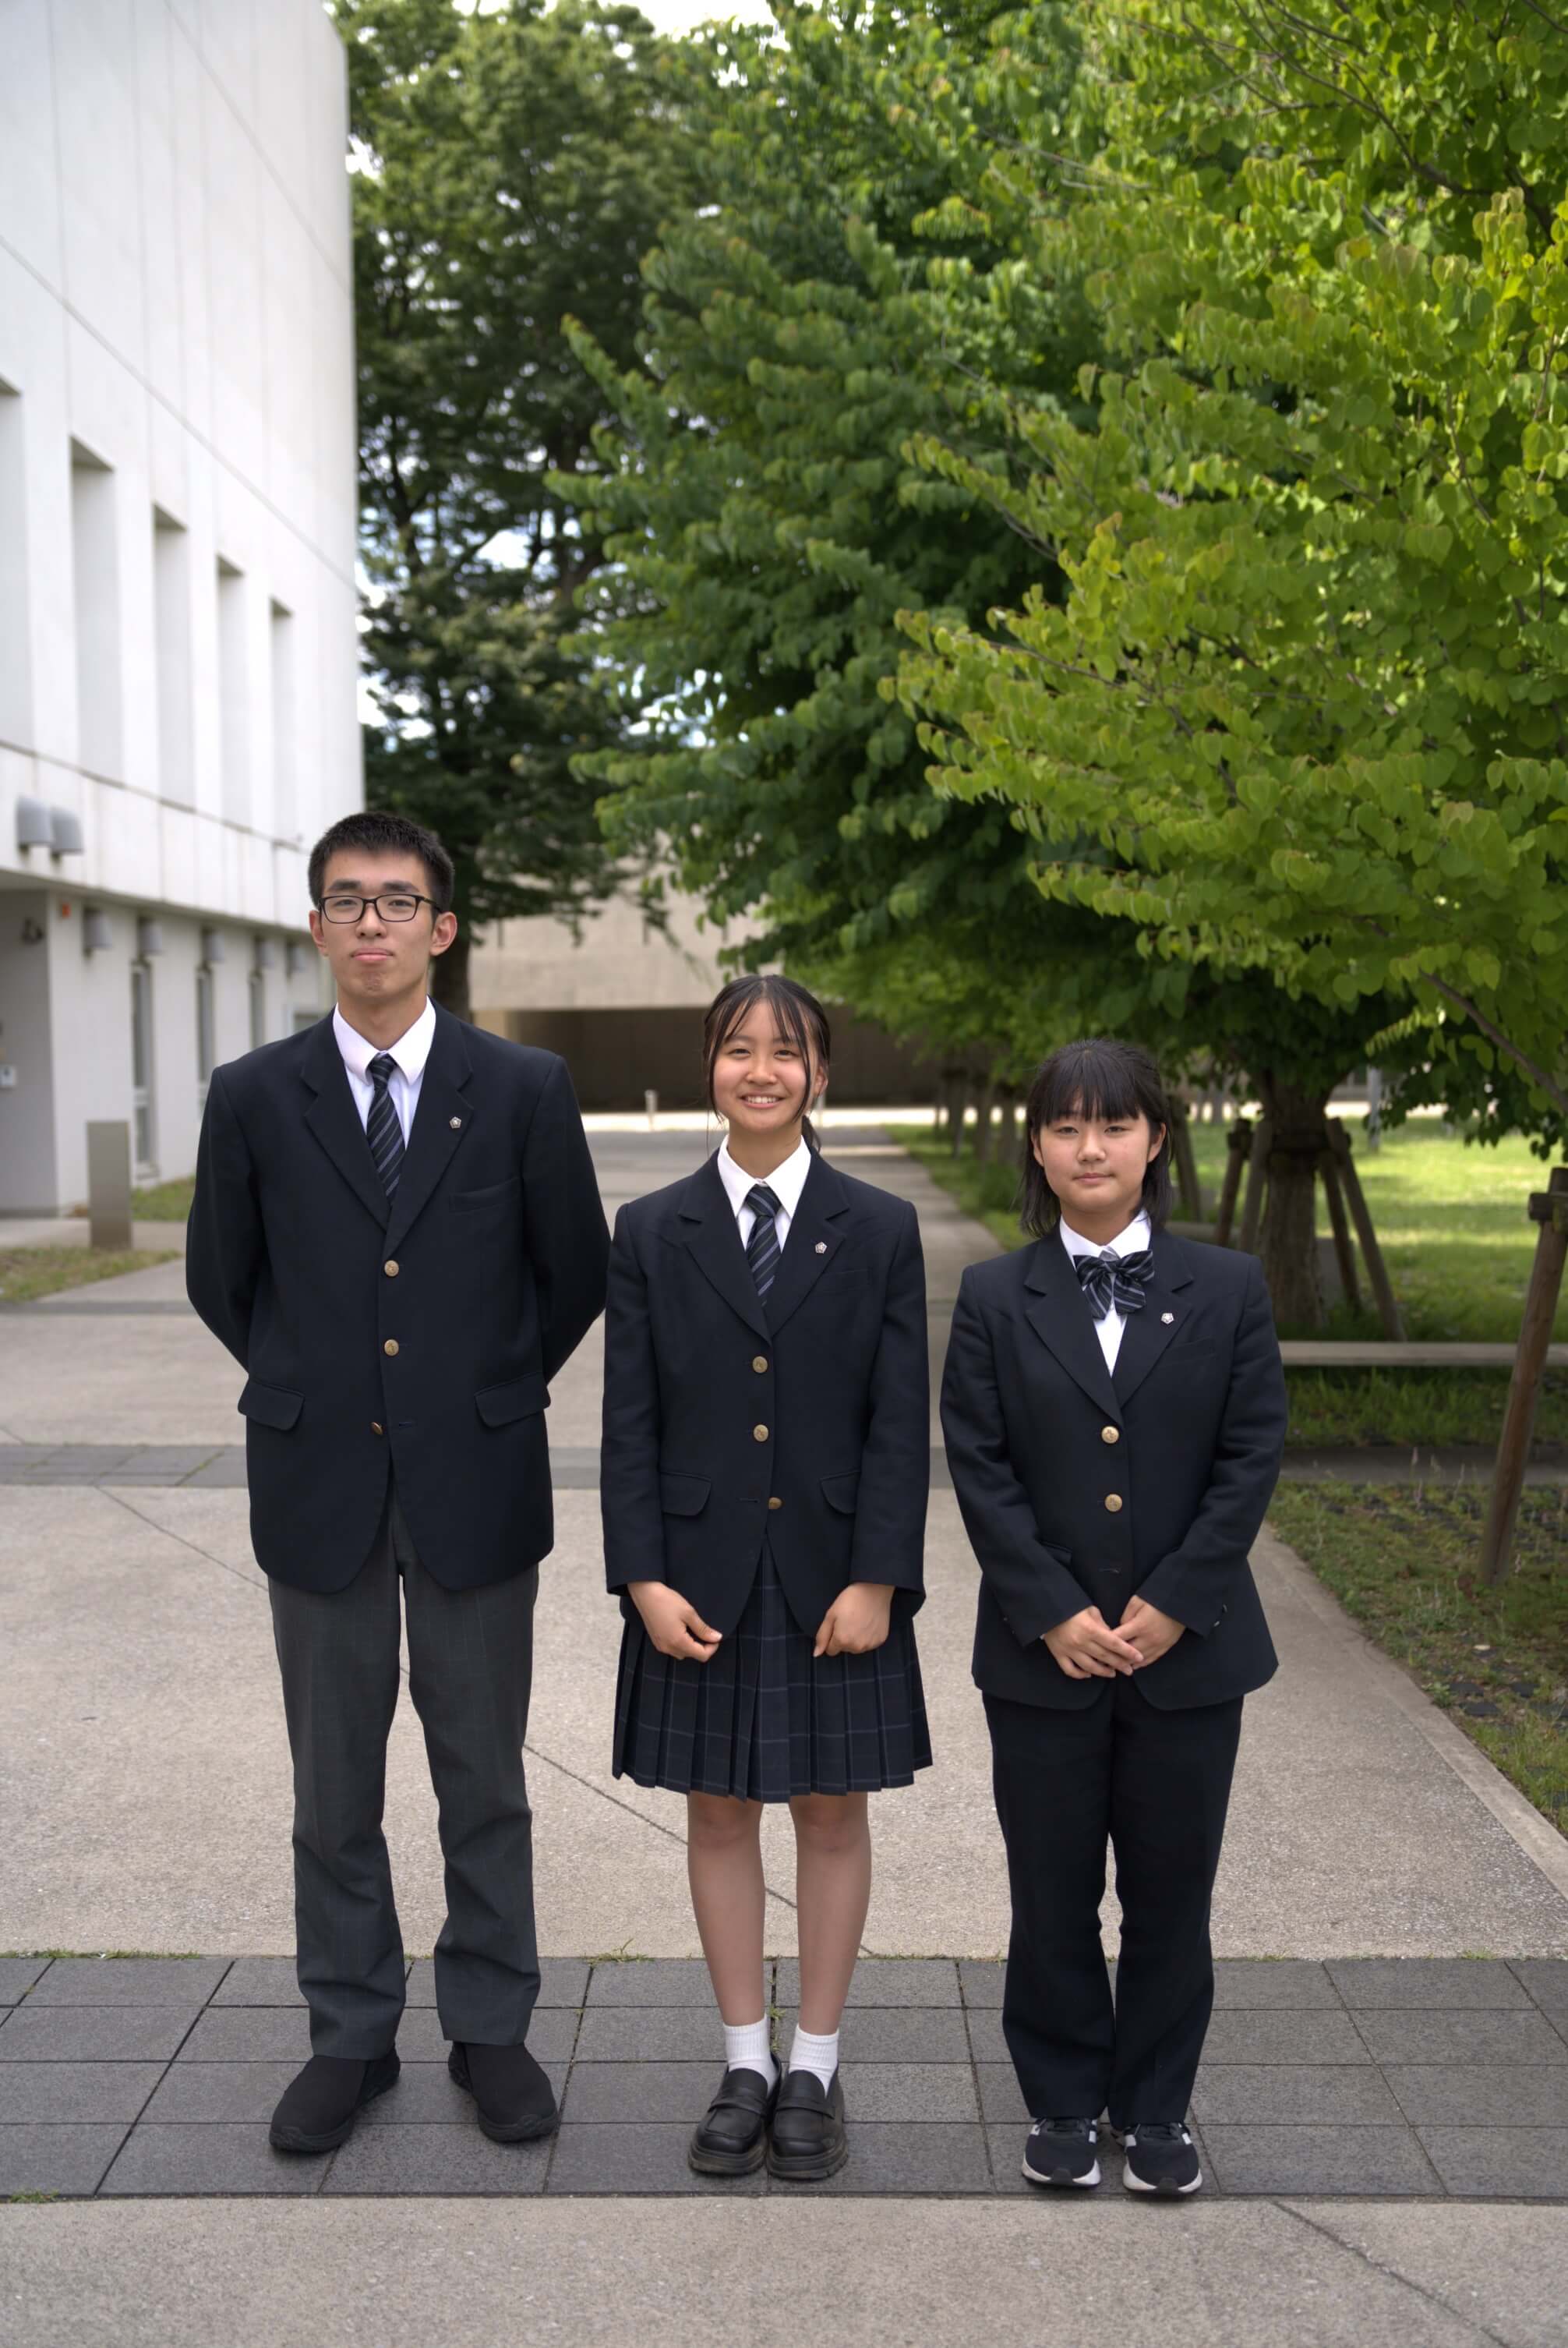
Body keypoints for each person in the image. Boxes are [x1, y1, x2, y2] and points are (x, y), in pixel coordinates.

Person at [186, 810, 608, 2157]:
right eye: (347, 901)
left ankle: (490, 2030)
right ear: (316, 928)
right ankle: (351, 2037)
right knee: (332, 1789)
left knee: (484, 1777)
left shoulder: (525, 1088)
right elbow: (222, 1278)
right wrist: (320, 1389)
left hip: (477, 1483)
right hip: (318, 1490)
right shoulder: (255, 1094)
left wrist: (476, 1393)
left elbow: (573, 1274)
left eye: (398, 900)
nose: (373, 922)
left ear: (443, 926)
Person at [941, 1039, 1287, 2197]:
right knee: (1050, 1891)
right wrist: (1049, 1610)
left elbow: (1250, 1457)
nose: (1093, 1148)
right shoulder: (995, 1296)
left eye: (1117, 1125)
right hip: (1043, 1659)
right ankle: (1061, 2095)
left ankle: (1157, 2107)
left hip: (1190, 1658)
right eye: (1069, 1127)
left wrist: (1180, 1602)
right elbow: (979, 1466)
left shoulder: (1229, 1287)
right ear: (1038, 1147)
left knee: (1171, 1891)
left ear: (1155, 1140)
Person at [601, 976, 931, 2181]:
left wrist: (880, 1578)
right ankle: (744, 2060)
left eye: (785, 1053)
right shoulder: (649, 1230)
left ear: (821, 1075)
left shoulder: (880, 1229)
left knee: (833, 1814)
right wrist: (639, 1576)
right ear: (710, 1069)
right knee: (718, 1811)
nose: (761, 1070)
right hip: (696, 1580)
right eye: (738, 1050)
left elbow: (901, 1424)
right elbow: (627, 1421)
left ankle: (816, 2066)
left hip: (834, 1581)